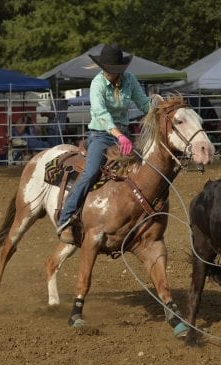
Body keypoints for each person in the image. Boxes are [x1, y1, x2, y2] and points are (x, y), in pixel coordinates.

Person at [56, 44, 151, 244]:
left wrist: (159, 111)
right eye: (111, 70)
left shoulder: (130, 80)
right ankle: (65, 217)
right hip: (101, 135)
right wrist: (119, 136)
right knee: (90, 172)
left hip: (122, 135)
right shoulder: (97, 83)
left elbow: (144, 104)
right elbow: (101, 114)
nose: (113, 74)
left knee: (146, 170)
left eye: (116, 70)